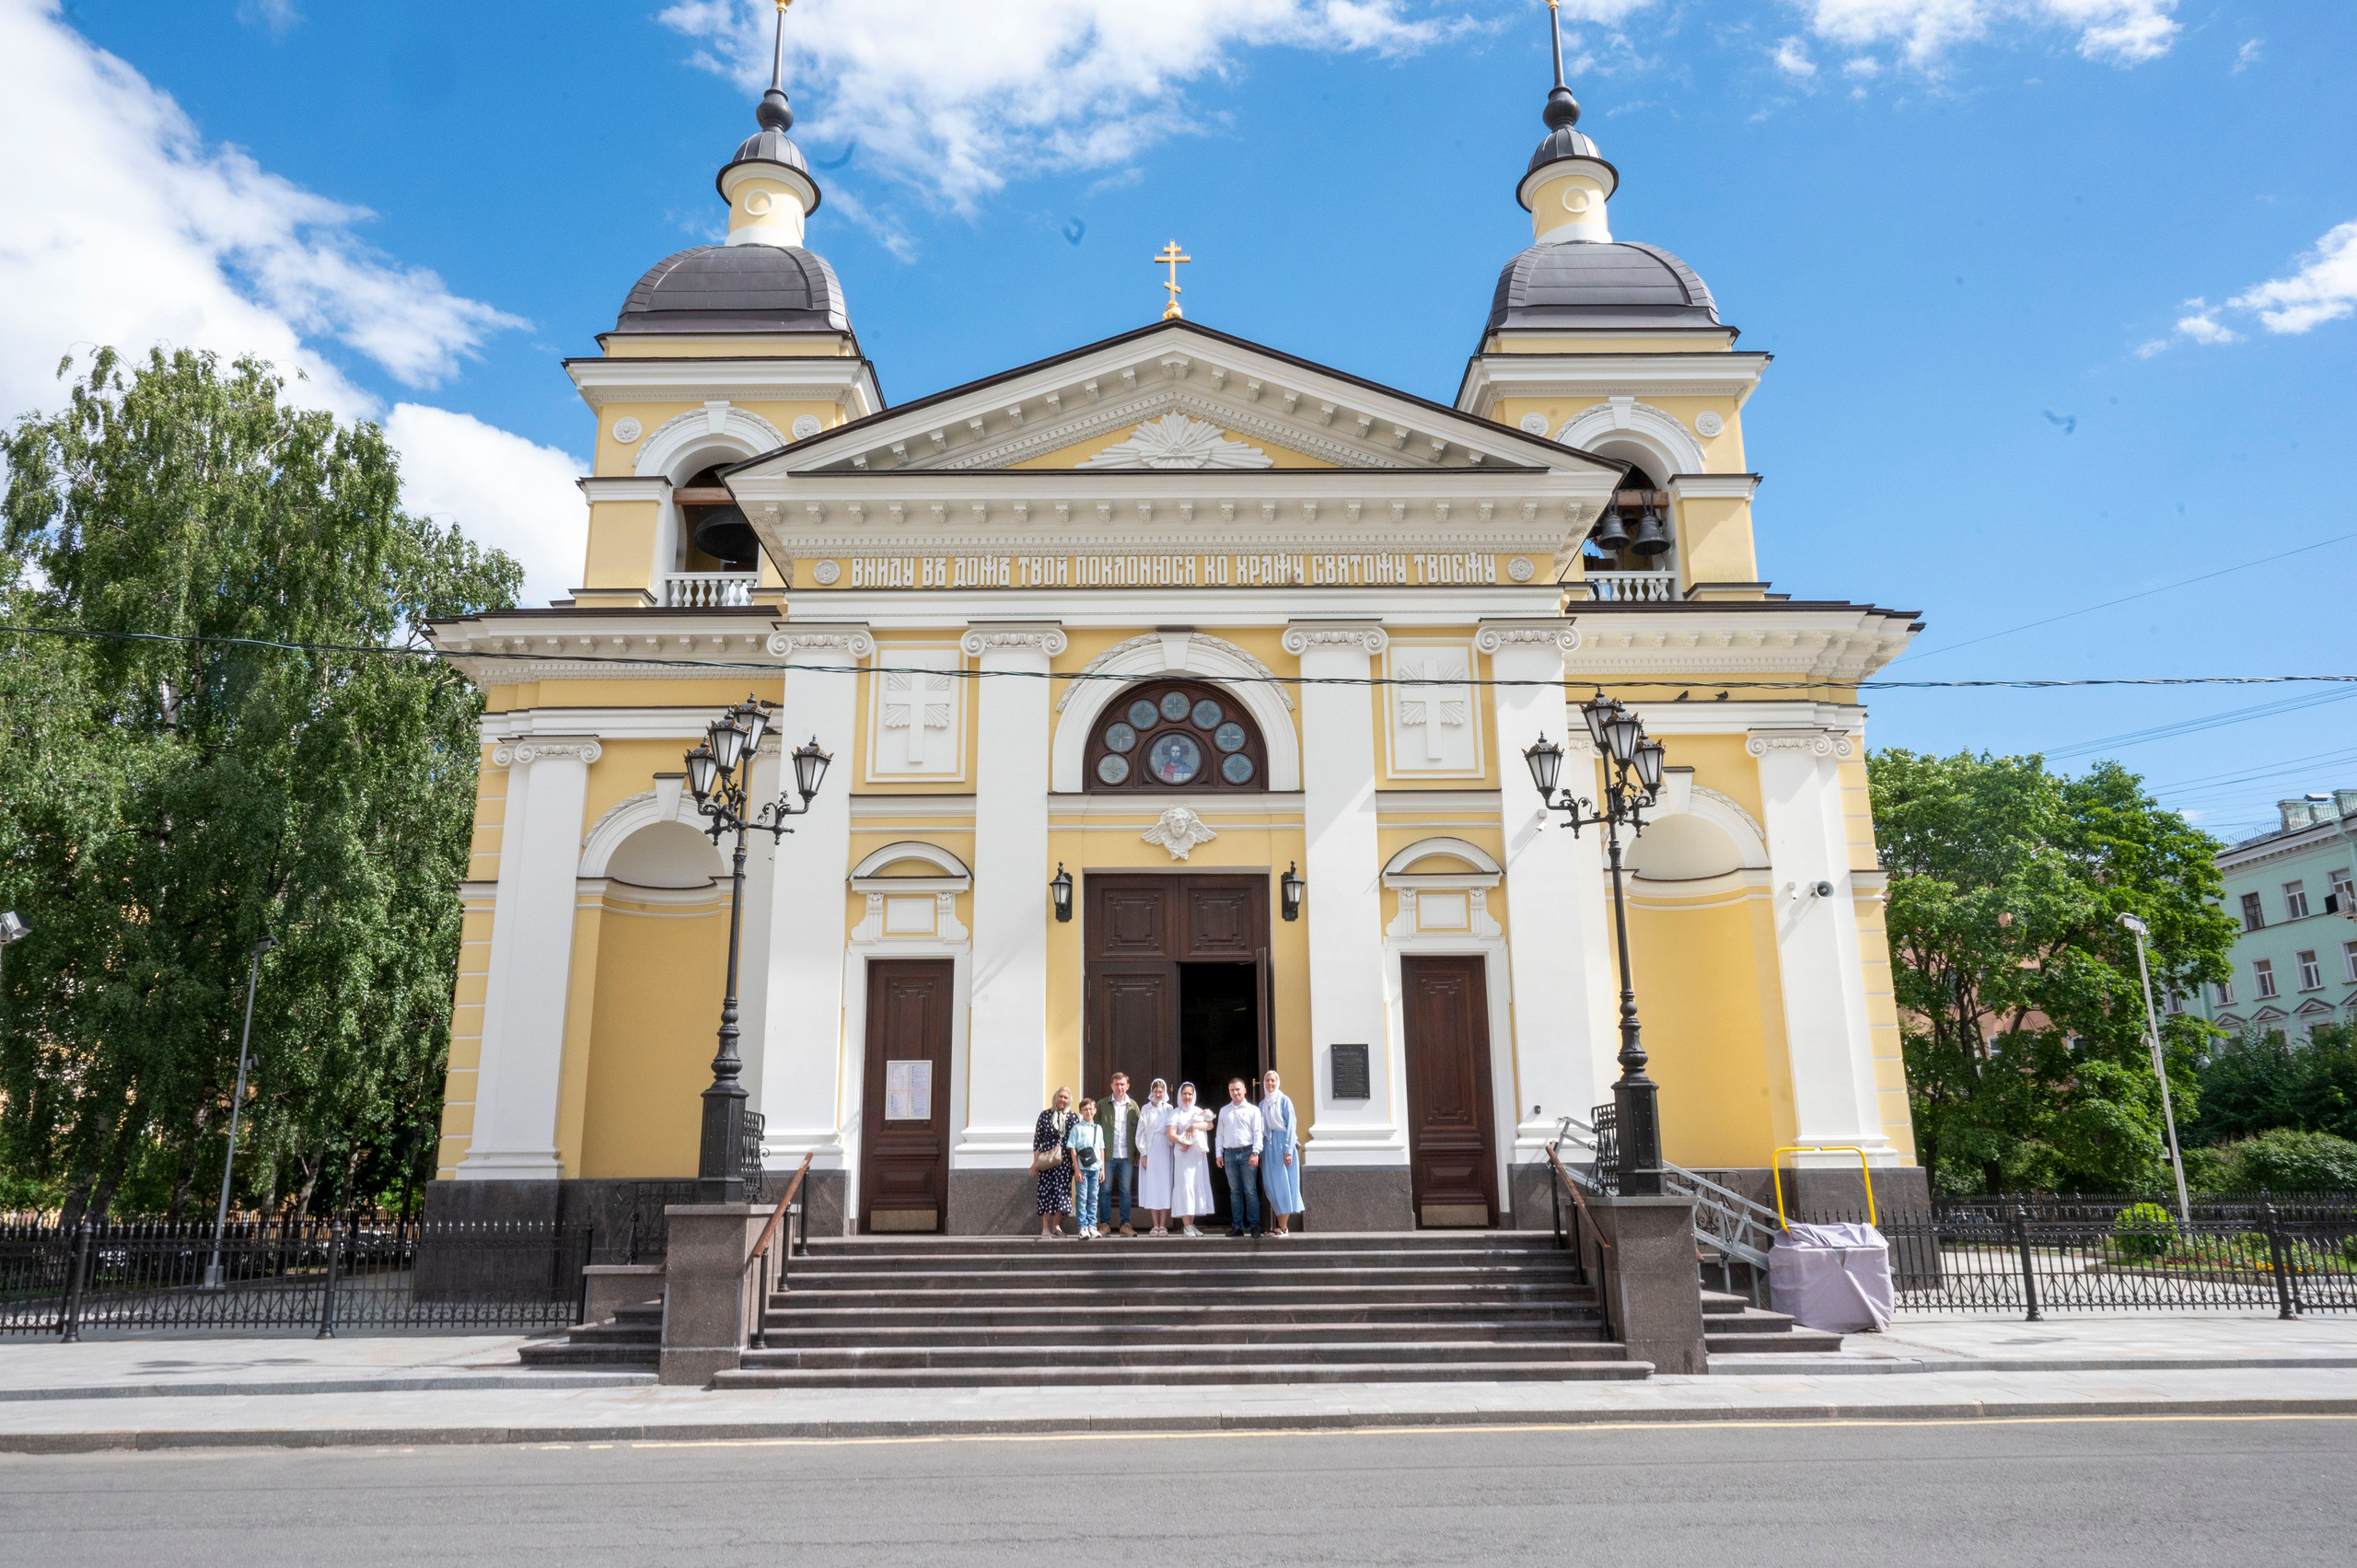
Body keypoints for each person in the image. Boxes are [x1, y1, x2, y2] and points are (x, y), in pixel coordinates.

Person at [1213, 1077, 1264, 1237]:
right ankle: (1238, 1227)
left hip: (1248, 1153)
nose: (1235, 1093)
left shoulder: (1253, 1110)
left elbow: (1258, 1133)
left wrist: (1256, 1152)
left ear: (1244, 1090)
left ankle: (1254, 1226)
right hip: (1229, 1154)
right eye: (1232, 1090)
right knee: (1235, 1191)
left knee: (1250, 1190)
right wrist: (1218, 1154)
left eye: (1238, 1089)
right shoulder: (1224, 1111)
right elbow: (1219, 1134)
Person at [1167, 1082, 1215, 1237]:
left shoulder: (1198, 1111)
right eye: (1185, 1094)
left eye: (1190, 1094)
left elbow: (1210, 1125)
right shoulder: (1175, 1113)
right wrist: (1185, 1142)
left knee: (1195, 1185)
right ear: (1180, 1095)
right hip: (1183, 1155)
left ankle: (1191, 1224)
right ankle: (1186, 1225)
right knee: (1185, 1185)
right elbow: (1171, 1134)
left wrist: (1194, 1126)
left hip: (1197, 1156)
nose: (1187, 1097)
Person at [1258, 1069, 1302, 1237]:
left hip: (1283, 1144)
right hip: (1269, 1146)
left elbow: (1291, 1126)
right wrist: (1261, 1154)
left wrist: (1288, 1150)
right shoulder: (1262, 1104)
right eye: (1267, 1081)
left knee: (1284, 1185)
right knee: (1271, 1186)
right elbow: (1261, 1130)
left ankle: (1283, 1227)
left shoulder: (1284, 1101)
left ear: (1277, 1082)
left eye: (1273, 1081)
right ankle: (1280, 1224)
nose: (1270, 1084)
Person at [1098, 1072, 1139, 1236]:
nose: (1120, 1087)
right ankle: (1104, 1225)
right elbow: (1094, 1130)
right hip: (1107, 1155)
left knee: (1126, 1191)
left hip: (1127, 1156)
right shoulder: (1102, 1105)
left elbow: (1138, 1132)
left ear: (1127, 1086)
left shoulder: (1133, 1106)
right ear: (1111, 1086)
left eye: (1122, 1084)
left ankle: (1125, 1225)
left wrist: (1137, 1155)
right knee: (1105, 1190)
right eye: (1117, 1084)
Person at [1033, 1086, 1076, 1238]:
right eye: (1060, 1096)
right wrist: (1035, 1162)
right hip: (1047, 1161)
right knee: (1046, 1193)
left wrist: (1075, 1165)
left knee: (1061, 1194)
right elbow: (1037, 1140)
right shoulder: (1045, 1115)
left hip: (1064, 1163)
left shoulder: (1072, 1117)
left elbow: (1075, 1142)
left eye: (1065, 1097)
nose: (1062, 1100)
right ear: (1055, 1097)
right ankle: (1045, 1227)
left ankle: (1057, 1227)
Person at [1135, 1079, 1176, 1235]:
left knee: (1164, 1185)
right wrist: (1144, 1153)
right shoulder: (1146, 1109)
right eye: (1156, 1092)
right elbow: (1140, 1133)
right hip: (1151, 1149)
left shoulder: (1169, 1109)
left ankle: (1163, 1224)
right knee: (1152, 1186)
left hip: (1165, 1149)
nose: (1158, 1095)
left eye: (1161, 1092)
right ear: (1151, 1092)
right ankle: (1155, 1224)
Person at [1066, 1098, 1106, 1238]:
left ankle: (1092, 1226)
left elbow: (1101, 1149)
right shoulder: (1077, 1128)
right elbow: (1073, 1149)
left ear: (1095, 1111)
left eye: (1091, 1109)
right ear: (1080, 1112)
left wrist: (1102, 1169)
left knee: (1093, 1198)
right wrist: (1076, 1169)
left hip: (1095, 1168)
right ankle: (1082, 1226)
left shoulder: (1098, 1128)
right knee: (1082, 1197)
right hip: (1082, 1169)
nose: (1088, 1112)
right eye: (1085, 1109)